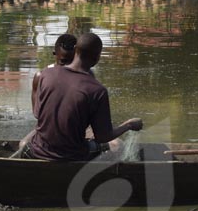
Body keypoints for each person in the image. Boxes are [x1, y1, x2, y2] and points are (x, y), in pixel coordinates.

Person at [27, 32, 143, 161]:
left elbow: (38, 113)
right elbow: (103, 137)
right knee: (117, 147)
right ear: (97, 58)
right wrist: (129, 125)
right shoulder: (97, 90)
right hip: (73, 155)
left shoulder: (45, 74)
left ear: (75, 50)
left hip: (38, 151)